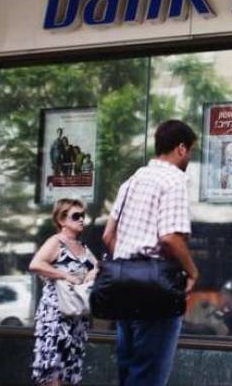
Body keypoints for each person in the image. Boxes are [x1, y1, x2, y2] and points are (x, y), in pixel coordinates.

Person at [102, 119, 199, 386]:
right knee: (149, 376)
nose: (189, 157)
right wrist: (192, 271)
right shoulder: (174, 180)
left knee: (129, 370)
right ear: (181, 148)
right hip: (156, 288)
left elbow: (108, 236)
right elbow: (169, 238)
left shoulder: (132, 180)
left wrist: (130, 264)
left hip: (123, 284)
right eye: (190, 151)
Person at [29, 198, 97, 386]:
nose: (81, 220)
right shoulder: (56, 242)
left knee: (70, 369)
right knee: (52, 369)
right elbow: (36, 264)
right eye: (76, 216)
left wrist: (91, 275)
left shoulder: (83, 247)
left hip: (76, 314)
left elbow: (96, 268)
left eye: (83, 216)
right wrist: (64, 275)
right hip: (56, 313)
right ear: (61, 219)